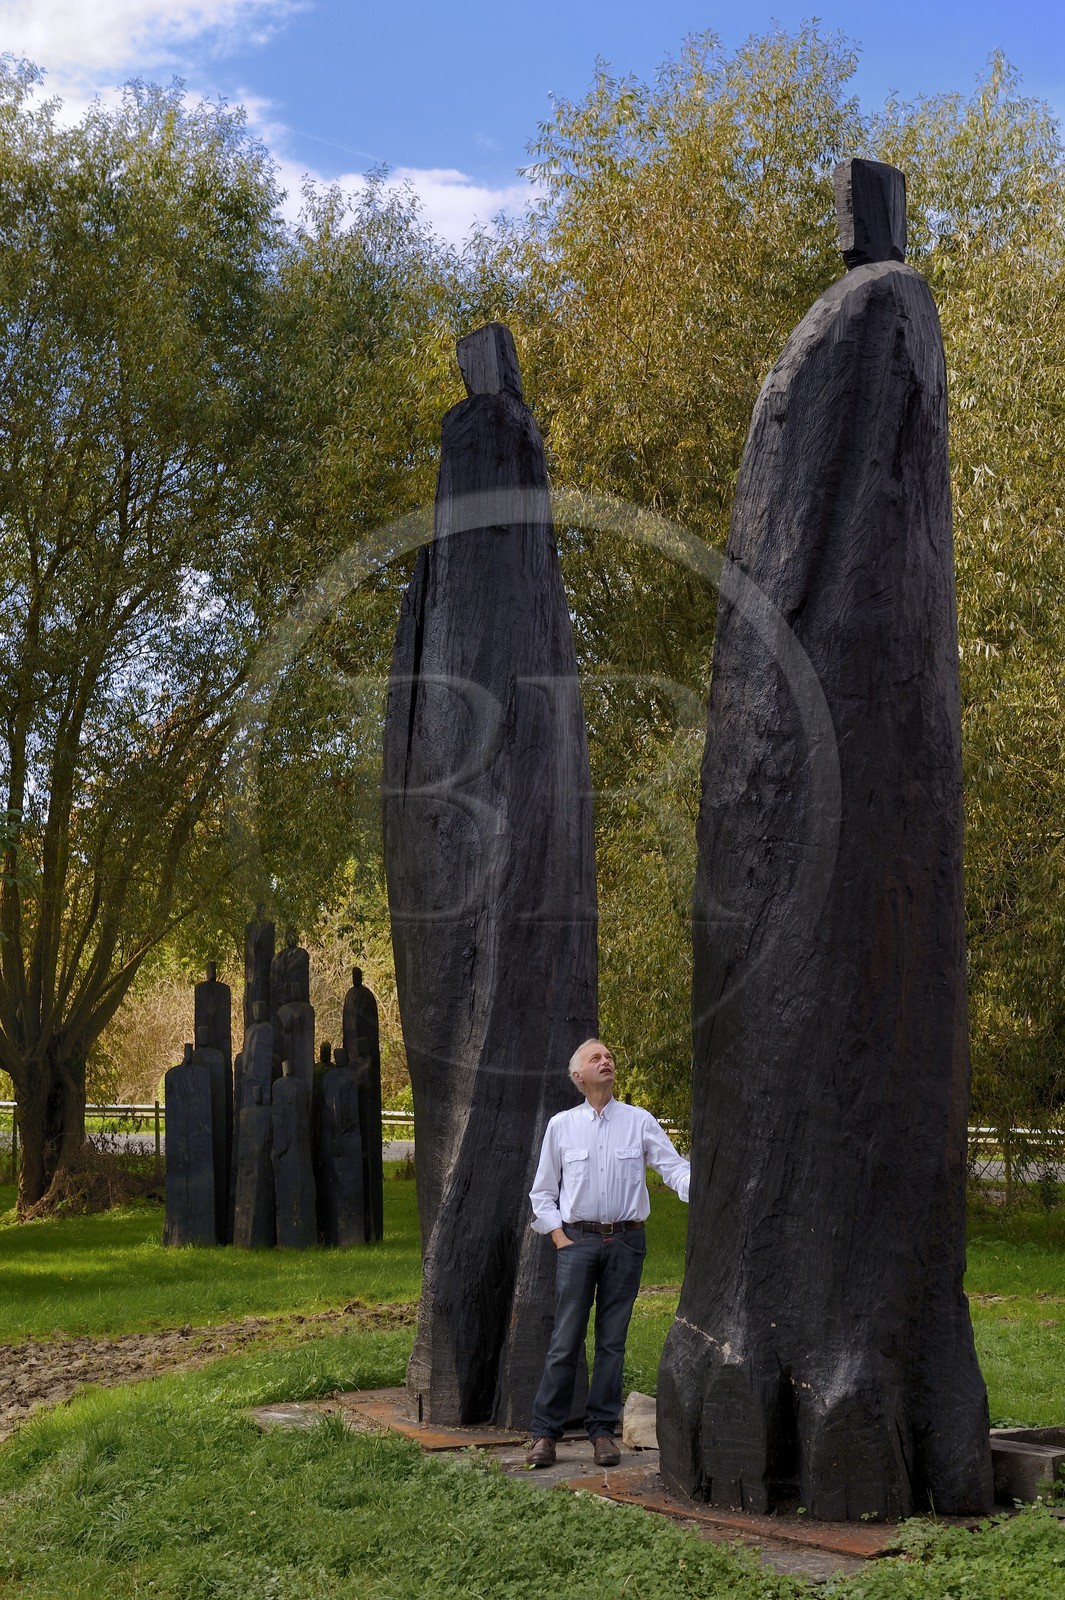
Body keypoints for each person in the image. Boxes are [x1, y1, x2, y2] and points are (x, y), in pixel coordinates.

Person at [525, 1038, 690, 1467]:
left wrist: (704, 1184)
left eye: (609, 1057)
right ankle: (545, 1434)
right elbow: (543, 1192)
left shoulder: (639, 1121)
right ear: (577, 1076)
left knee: (612, 1343)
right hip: (576, 1242)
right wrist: (558, 1236)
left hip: (627, 1242)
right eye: (595, 1058)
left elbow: (673, 1167)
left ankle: (602, 1433)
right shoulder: (562, 1126)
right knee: (565, 1340)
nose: (606, 1061)